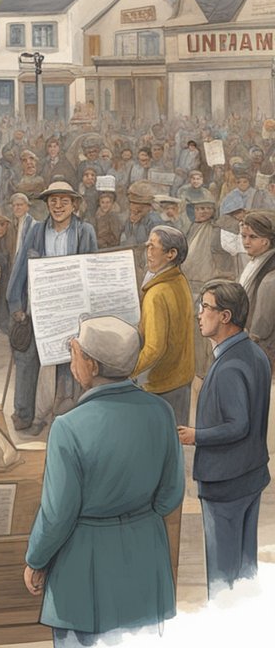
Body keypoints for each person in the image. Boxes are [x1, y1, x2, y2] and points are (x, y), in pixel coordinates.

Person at [24, 316, 184, 648]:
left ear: (92, 365)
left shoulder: (68, 428)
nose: (72, 361)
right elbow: (171, 495)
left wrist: (35, 560)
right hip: (145, 565)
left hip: (84, 573)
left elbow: (56, 515)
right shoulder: (161, 413)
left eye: (75, 352)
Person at [178, 280, 270, 597]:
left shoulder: (229, 366)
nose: (199, 314)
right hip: (250, 476)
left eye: (206, 307)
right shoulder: (255, 354)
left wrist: (195, 436)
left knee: (221, 577)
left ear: (226, 316)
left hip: (225, 482)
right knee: (244, 571)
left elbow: (238, 424)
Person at [7, 180, 98, 436]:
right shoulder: (36, 231)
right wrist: (16, 304)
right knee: (28, 360)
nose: (58, 206)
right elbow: (20, 268)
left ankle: (63, 416)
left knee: (68, 364)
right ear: (46, 204)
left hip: (71, 309)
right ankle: (26, 414)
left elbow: (91, 268)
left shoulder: (84, 231)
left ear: (74, 205)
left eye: (64, 201)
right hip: (39, 307)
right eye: (53, 201)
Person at [133, 226, 196, 425]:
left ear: (171, 254)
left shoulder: (156, 294)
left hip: (161, 385)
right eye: (147, 246)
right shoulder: (179, 280)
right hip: (181, 379)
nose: (148, 252)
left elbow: (153, 349)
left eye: (153, 247)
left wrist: (128, 371)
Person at [238, 209, 275, 370]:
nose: (246, 241)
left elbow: (262, 326)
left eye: (253, 237)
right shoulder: (255, 262)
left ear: (267, 240)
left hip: (261, 346)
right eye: (243, 236)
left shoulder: (270, 278)